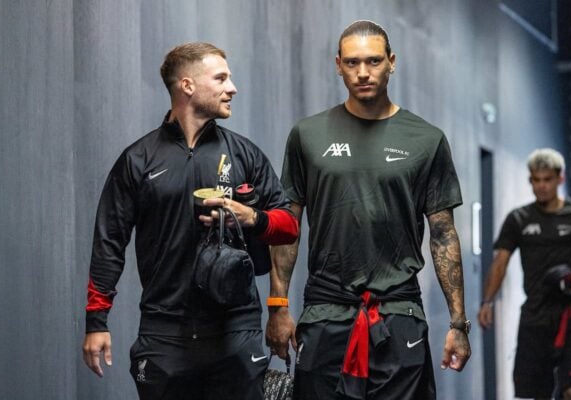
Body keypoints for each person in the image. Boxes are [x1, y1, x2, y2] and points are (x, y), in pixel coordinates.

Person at [266, 20, 471, 400]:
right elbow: (286, 227)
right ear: (338, 65)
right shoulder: (307, 135)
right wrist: (278, 306)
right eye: (352, 62)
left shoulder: (426, 139)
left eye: (374, 61)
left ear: (392, 62)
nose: (363, 72)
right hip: (325, 313)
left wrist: (458, 323)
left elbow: (443, 234)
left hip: (399, 313)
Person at [81, 42, 298, 400]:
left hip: (235, 329)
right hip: (164, 332)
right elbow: (109, 243)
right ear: (187, 85)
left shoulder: (244, 153)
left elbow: (288, 226)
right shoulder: (139, 160)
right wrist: (96, 323)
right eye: (221, 78)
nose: (233, 88)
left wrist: (251, 217)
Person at [478, 148, 571, 400]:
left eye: (547, 179)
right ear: (530, 180)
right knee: (535, 394)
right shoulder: (518, 218)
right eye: (536, 180)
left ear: (559, 179)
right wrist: (487, 301)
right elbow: (500, 262)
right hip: (534, 317)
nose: (541, 186)